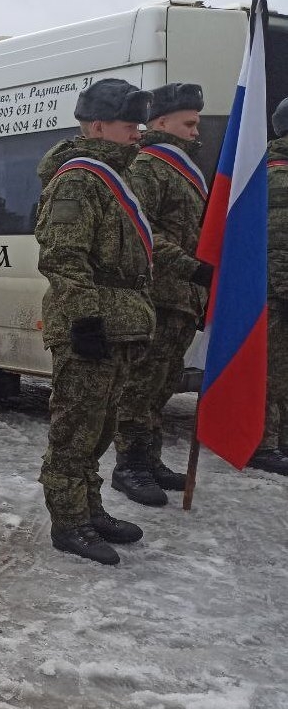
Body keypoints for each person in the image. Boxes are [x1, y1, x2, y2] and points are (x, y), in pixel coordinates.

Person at [34, 78, 154, 566]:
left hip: (118, 323)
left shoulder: (115, 176)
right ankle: (69, 523)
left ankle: (90, 509)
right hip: (90, 325)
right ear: (99, 126)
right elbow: (64, 257)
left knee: (100, 428)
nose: (139, 133)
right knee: (75, 430)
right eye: (130, 125)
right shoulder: (79, 179)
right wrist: (85, 320)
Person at [112, 84, 213, 503]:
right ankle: (129, 466)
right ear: (162, 122)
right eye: (188, 123)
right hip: (157, 296)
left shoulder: (183, 170)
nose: (195, 131)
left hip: (182, 299)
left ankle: (149, 459)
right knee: (140, 387)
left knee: (162, 386)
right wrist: (194, 268)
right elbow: (142, 232)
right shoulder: (148, 166)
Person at [251, 98, 288, 473]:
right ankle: (263, 444)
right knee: (272, 372)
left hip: (279, 290)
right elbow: (278, 246)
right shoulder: (278, 176)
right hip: (277, 294)